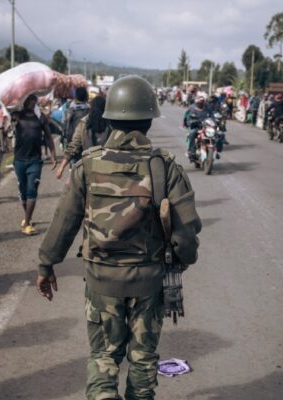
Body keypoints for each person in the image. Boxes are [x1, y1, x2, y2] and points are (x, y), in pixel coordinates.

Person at [36, 75, 202, 400]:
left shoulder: (87, 165)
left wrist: (46, 264)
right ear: (149, 121)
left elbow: (64, 221)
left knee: (103, 359)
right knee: (142, 364)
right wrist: (180, 261)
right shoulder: (165, 168)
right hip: (149, 285)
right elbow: (187, 234)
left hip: (101, 284)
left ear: (109, 118)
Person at [12, 94, 57, 236]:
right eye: (29, 100)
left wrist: (53, 154)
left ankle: (26, 222)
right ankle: (28, 217)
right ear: (24, 101)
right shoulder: (17, 115)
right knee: (23, 191)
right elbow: (6, 121)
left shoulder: (41, 117)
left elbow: (48, 136)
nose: (31, 103)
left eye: (34, 100)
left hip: (35, 160)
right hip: (19, 160)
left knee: (32, 190)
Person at [56, 96, 110, 180]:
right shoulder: (111, 123)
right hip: (108, 167)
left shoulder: (84, 123)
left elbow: (73, 146)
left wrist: (61, 167)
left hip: (89, 167)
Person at [62, 87, 90, 151]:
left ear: (75, 97)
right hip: (86, 144)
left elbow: (63, 124)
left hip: (72, 143)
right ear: (86, 97)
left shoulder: (68, 109)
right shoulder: (90, 110)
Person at [184, 97, 211, 162]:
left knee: (216, 133)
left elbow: (212, 117)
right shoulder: (193, 110)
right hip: (196, 128)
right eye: (199, 103)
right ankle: (191, 152)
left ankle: (216, 150)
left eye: (202, 102)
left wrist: (215, 121)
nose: (201, 104)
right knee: (192, 133)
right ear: (197, 103)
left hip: (206, 128)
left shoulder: (207, 109)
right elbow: (188, 119)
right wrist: (191, 122)